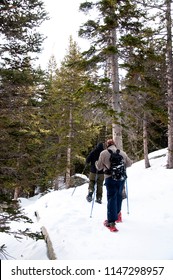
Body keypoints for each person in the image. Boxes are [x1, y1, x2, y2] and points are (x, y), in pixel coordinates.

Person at [95, 139, 132, 231]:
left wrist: (96, 163)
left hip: (110, 178)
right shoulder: (122, 153)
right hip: (121, 179)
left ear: (107, 145)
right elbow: (129, 163)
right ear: (115, 145)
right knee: (119, 196)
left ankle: (111, 222)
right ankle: (118, 215)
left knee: (111, 198)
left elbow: (99, 167)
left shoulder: (103, 153)